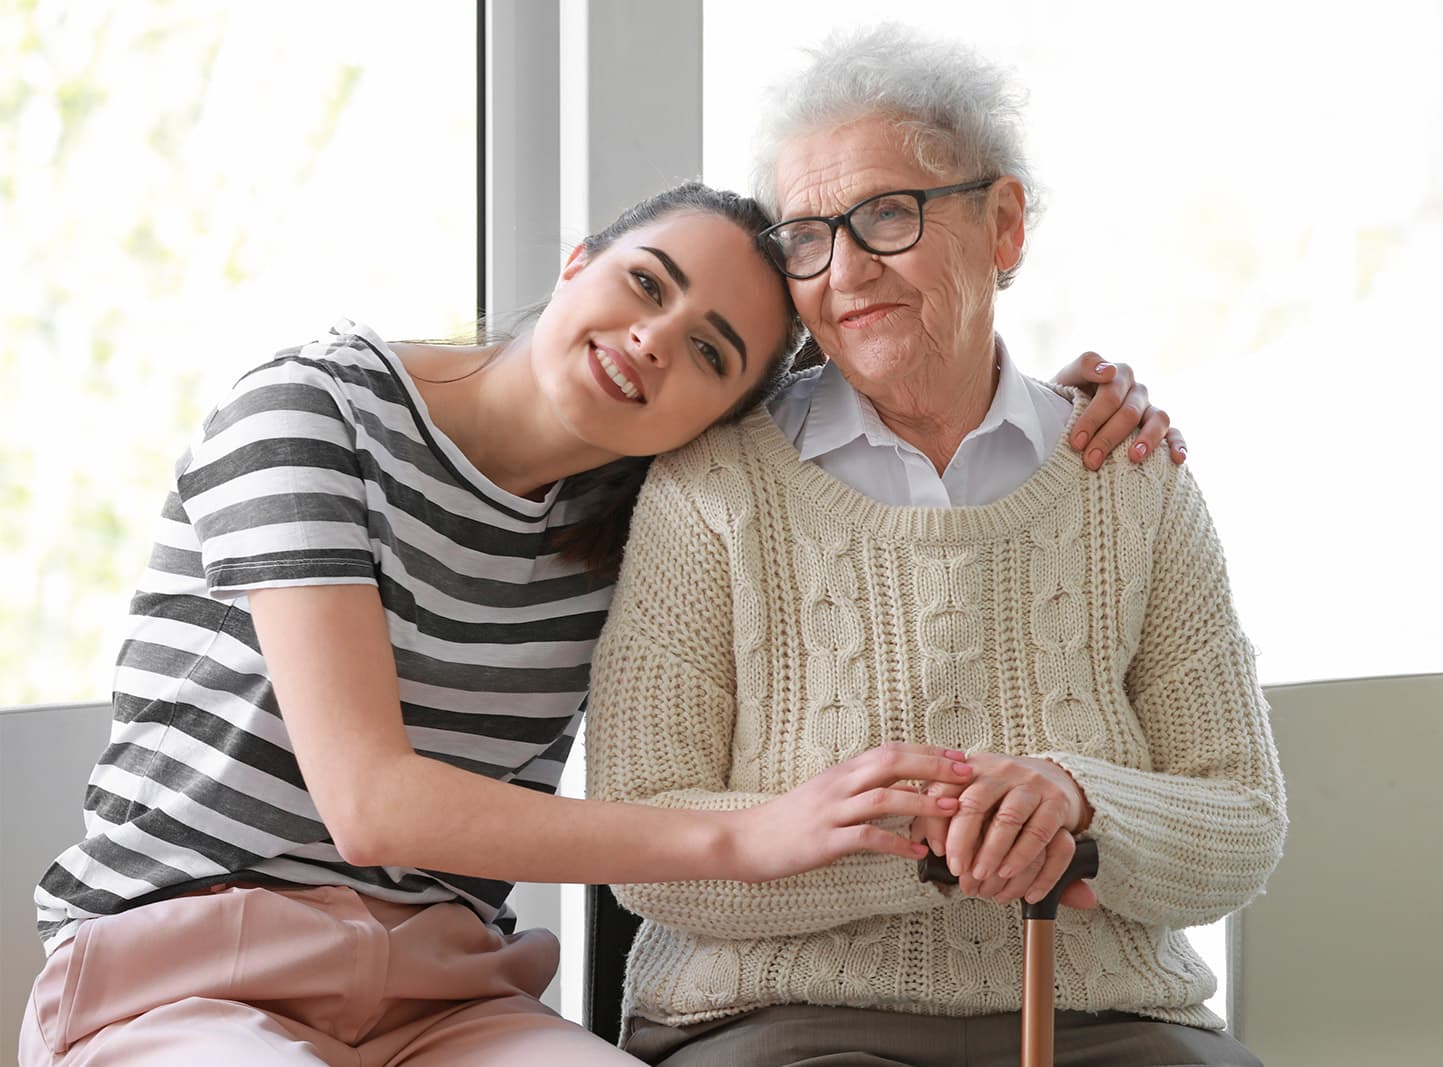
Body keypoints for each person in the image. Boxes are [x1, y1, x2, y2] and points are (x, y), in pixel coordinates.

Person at [21, 181, 1173, 1067]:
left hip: (445, 997)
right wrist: (749, 834)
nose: (656, 338)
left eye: (712, 352)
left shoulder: (643, 522)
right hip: (185, 970)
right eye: (646, 281)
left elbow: (879, 429)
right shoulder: (311, 411)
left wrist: (1061, 401)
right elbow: (371, 803)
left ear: (723, 415)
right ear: (577, 262)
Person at [584, 25, 1287, 1067]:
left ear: (1002, 224)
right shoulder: (712, 486)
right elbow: (637, 836)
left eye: (886, 215)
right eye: (808, 237)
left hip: (1109, 1019)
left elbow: (1240, 820)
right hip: (778, 1020)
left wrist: (1079, 799)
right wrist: (934, 838)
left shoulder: (1131, 477)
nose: (848, 269)